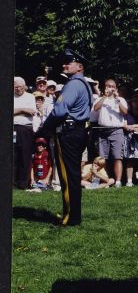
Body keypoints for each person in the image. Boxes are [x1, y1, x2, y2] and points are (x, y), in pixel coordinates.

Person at [38, 48, 93, 226]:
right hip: (79, 131)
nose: (64, 65)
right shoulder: (83, 84)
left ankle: (71, 217)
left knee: (68, 176)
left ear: (79, 66)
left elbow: (60, 110)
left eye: (68, 62)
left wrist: (45, 129)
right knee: (73, 175)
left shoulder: (73, 84)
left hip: (69, 133)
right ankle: (73, 214)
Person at [93, 78, 128, 188]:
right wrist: (104, 96)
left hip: (116, 130)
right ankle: (106, 180)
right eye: (108, 86)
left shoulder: (120, 99)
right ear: (105, 87)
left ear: (116, 88)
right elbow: (95, 108)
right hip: (103, 130)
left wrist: (117, 99)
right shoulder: (101, 99)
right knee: (103, 158)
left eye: (112, 86)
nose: (110, 88)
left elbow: (125, 112)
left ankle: (117, 181)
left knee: (118, 157)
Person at [13, 76, 36, 190]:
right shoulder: (10, 97)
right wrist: (23, 110)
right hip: (13, 129)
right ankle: (12, 183)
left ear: (24, 86)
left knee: (25, 155)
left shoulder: (30, 97)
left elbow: (32, 112)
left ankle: (23, 183)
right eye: (16, 87)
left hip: (26, 129)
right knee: (13, 155)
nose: (18, 89)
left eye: (20, 87)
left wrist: (17, 110)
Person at [123, 97, 138, 187]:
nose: (136, 103)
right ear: (131, 103)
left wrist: (132, 126)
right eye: (134, 101)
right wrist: (137, 126)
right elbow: (125, 126)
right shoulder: (127, 113)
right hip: (129, 138)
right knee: (130, 159)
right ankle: (129, 181)